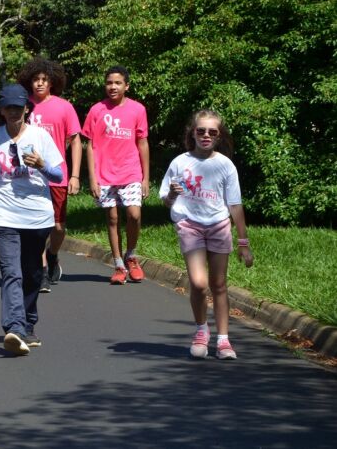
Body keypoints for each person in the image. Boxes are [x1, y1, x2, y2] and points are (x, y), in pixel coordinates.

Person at [0, 84, 63, 355]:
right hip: (3, 215)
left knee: (33, 273)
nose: (13, 112)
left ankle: (28, 323)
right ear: (1, 110)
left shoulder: (40, 136)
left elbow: (58, 176)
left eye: (18, 107)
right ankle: (14, 328)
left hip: (36, 216)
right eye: (8, 107)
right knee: (11, 272)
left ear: (26, 109)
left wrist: (41, 166)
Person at [160, 110, 253, 359]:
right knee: (199, 284)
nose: (206, 135)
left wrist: (244, 242)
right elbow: (167, 201)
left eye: (212, 132)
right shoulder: (180, 162)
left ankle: (223, 340)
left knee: (219, 284)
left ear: (219, 136)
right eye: (201, 130)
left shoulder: (225, 165)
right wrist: (173, 194)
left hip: (219, 226)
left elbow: (235, 205)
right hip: (190, 225)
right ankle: (202, 330)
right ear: (193, 132)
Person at [17, 58, 82, 293]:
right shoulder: (24, 106)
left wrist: (74, 175)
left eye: (44, 80)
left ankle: (52, 254)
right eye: (36, 79)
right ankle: (42, 270)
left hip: (57, 175)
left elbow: (75, 141)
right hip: (29, 176)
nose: (40, 84)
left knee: (58, 226)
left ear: (52, 82)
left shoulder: (64, 107)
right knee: (37, 226)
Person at [82, 65, 149, 285]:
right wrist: (92, 178)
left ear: (126, 86)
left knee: (134, 215)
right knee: (111, 218)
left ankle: (131, 255)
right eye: (109, 82)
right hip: (104, 174)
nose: (113, 86)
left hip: (130, 171)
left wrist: (145, 178)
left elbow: (142, 142)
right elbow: (89, 145)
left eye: (118, 83)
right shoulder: (96, 110)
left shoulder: (137, 110)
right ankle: (119, 264)